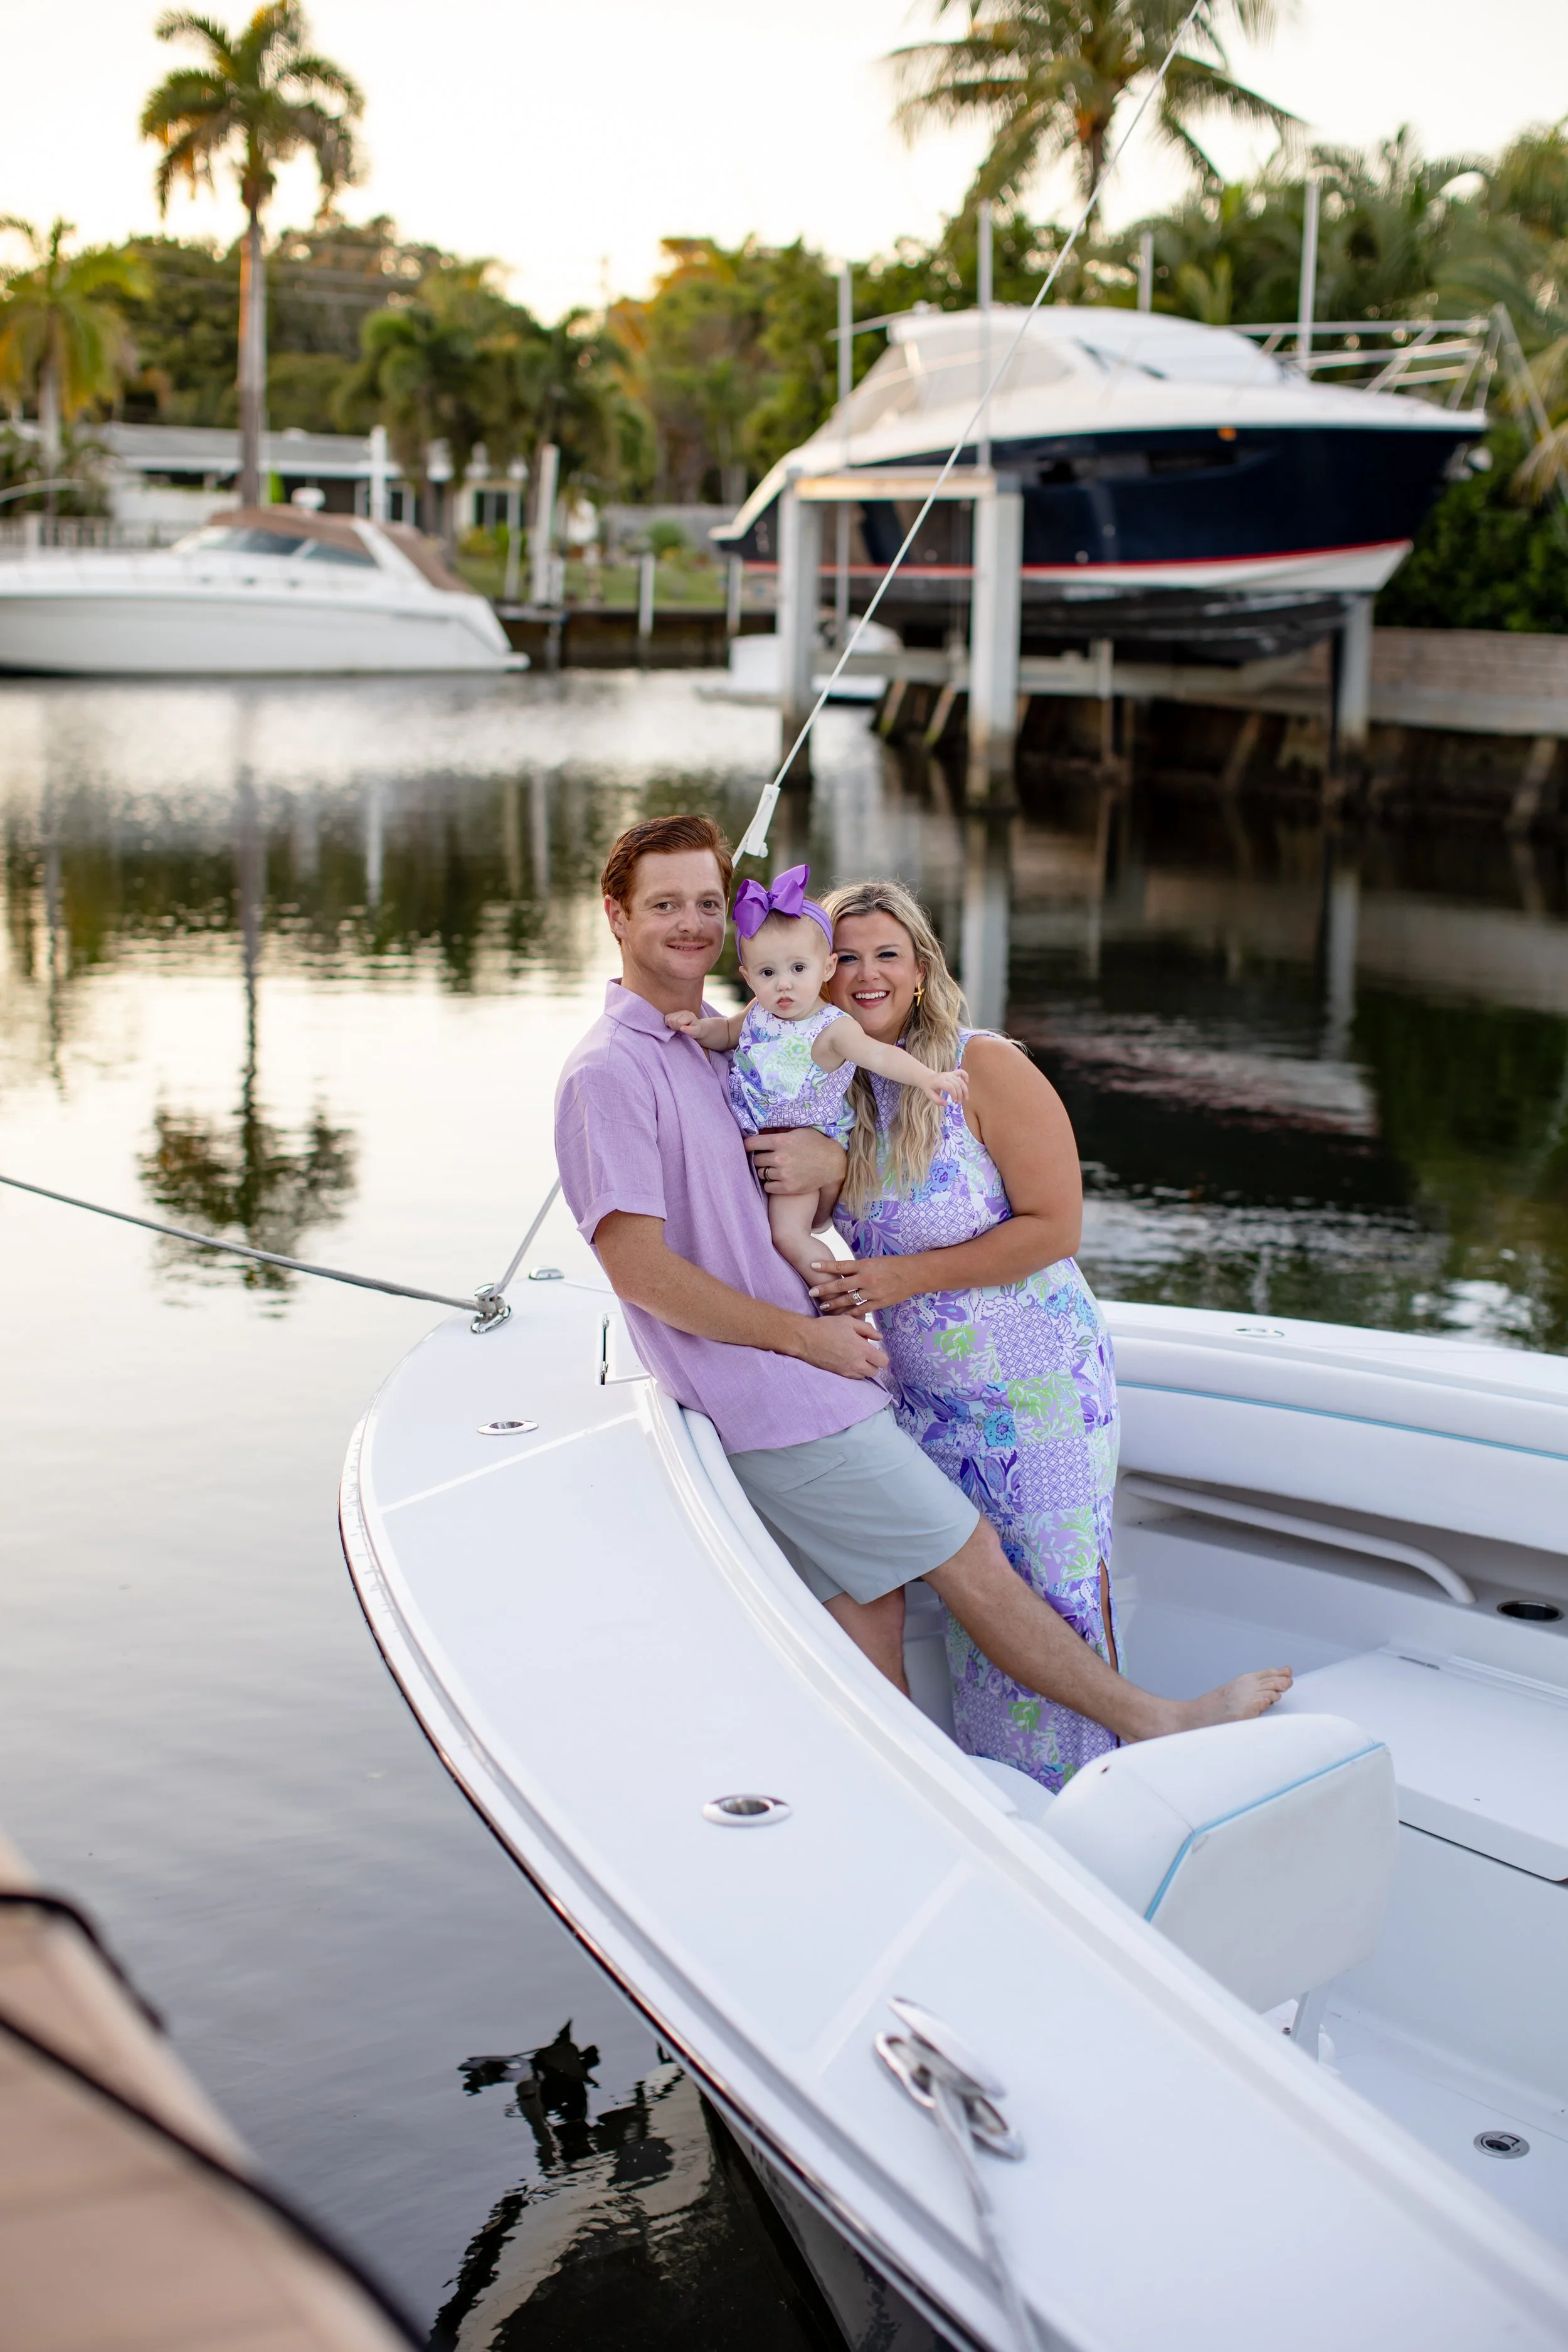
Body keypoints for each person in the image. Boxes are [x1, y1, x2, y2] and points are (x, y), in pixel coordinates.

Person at [553, 810, 1291, 1764]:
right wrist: (804, 1332)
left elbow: (769, 1202)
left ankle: (965, 1788)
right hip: (806, 1388)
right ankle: (1130, 1731)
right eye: (666, 903)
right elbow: (643, 1264)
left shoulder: (756, 1057)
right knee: (971, 1568)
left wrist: (820, 1175)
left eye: (705, 901)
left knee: (933, 1592)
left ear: (916, 962)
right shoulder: (628, 1064)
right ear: (615, 913)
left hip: (995, 1382)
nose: (862, 976)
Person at [666, 860, 967, 1285]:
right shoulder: (758, 1012)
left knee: (788, 1236)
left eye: (798, 970)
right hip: (757, 1141)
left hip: (805, 1139)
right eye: (768, 973)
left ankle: (839, 1298)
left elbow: (881, 1056)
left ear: (824, 969)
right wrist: (695, 1028)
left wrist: (928, 1077)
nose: (784, 985)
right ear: (748, 977)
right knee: (745, 1233)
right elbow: (726, 1033)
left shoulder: (833, 1028)